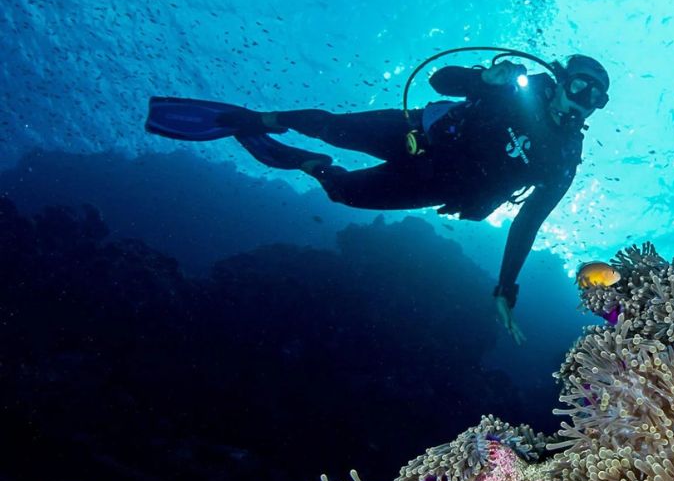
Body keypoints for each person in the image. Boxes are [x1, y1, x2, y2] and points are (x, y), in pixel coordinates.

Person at [146, 53, 610, 343]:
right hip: (416, 135)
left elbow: (528, 222)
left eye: (595, 98)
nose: (583, 99)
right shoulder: (517, 86)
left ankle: (307, 162)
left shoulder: (564, 161)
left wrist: (505, 287)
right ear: (562, 78)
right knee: (332, 126)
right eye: (579, 85)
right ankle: (264, 120)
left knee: (344, 193)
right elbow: (440, 81)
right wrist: (486, 81)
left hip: (435, 187)